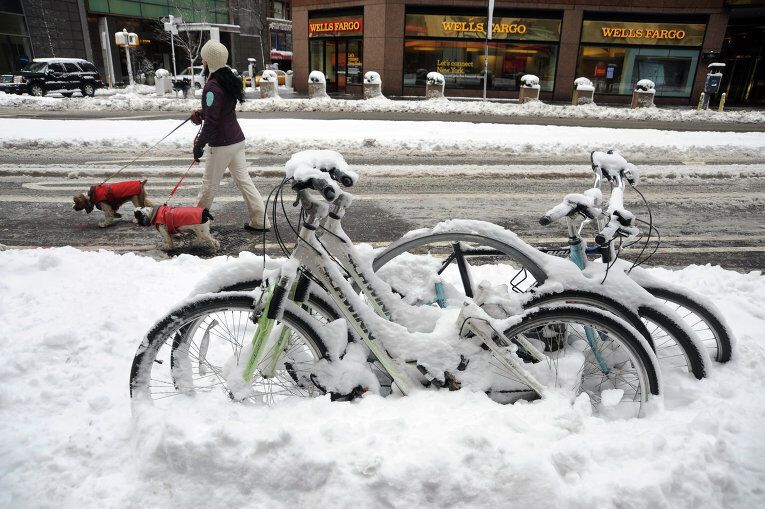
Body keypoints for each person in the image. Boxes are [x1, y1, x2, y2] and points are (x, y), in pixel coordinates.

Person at [192, 39, 271, 232]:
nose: (202, 62)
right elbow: (220, 110)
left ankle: (195, 222)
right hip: (236, 140)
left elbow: (212, 121)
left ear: (209, 61)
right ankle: (260, 220)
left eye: (203, 59)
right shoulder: (226, 79)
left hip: (221, 144)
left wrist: (199, 144)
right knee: (244, 181)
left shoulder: (212, 86)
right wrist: (202, 113)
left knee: (209, 185)